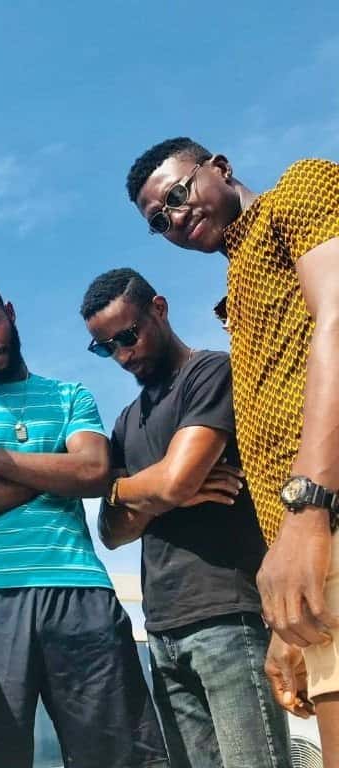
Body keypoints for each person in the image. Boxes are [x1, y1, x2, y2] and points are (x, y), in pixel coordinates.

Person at [126, 137, 339, 760]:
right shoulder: (237, 290)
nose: (174, 217)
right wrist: (286, 616)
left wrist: (308, 507)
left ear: (219, 167)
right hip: (309, 547)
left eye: (177, 194)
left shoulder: (300, 189)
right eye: (158, 220)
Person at [0, 271, 168, 768]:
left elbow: (95, 472)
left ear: (10, 314)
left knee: (120, 758)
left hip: (79, 590)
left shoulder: (70, 395)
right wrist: (60, 469)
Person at [82, 267, 290, 767]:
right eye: (105, 348)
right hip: (161, 631)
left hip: (229, 617)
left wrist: (139, 493)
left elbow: (175, 481)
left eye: (127, 336)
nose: (122, 355)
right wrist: (160, 493)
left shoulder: (210, 373)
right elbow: (111, 531)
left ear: (159, 308)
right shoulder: (126, 422)